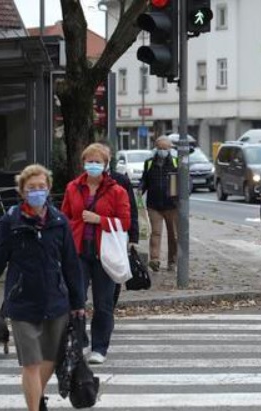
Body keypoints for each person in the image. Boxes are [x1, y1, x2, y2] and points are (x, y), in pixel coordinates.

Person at [0, 164, 85, 411]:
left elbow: (71, 263)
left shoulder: (59, 222)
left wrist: (78, 302)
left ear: (48, 189)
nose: (37, 191)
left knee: (48, 359)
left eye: (41, 187)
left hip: (55, 301)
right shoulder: (10, 221)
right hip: (22, 302)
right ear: (22, 191)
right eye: (31, 188)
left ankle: (36, 397)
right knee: (31, 363)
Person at [61, 143, 131, 365]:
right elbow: (64, 217)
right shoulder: (73, 187)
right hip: (78, 252)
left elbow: (126, 222)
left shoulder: (116, 190)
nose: (93, 165)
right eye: (89, 161)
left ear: (105, 164)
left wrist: (100, 220)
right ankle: (79, 341)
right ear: (83, 163)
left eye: (97, 162)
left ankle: (99, 347)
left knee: (103, 304)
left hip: (105, 255)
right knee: (76, 299)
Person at [97, 141, 139, 306]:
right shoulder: (80, 183)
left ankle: (109, 306)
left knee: (113, 273)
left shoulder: (120, 180)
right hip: (90, 238)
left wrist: (133, 237)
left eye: (103, 155)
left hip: (114, 235)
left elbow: (132, 210)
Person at [139, 135, 179, 272]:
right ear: (156, 148)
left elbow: (186, 180)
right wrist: (140, 190)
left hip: (172, 205)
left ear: (170, 149)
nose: (162, 151)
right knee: (155, 232)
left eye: (165, 148)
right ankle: (154, 260)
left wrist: (185, 193)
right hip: (154, 204)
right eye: (159, 148)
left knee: (173, 234)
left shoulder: (176, 162)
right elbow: (145, 180)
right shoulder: (149, 162)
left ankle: (172, 261)